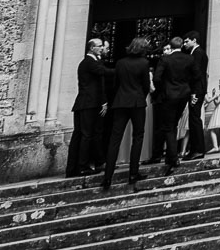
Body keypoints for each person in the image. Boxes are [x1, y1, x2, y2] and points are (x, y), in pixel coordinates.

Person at [100, 37, 154, 190]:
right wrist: (140, 97)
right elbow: (145, 85)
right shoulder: (144, 63)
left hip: (121, 101)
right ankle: (133, 174)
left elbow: (116, 83)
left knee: (115, 138)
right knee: (137, 137)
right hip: (136, 102)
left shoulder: (120, 63)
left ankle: (107, 177)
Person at [64, 37, 113, 177]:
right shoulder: (89, 62)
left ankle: (75, 167)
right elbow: (104, 72)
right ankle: (81, 166)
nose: (102, 48)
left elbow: (100, 83)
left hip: (88, 103)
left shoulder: (93, 62)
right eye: (99, 46)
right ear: (92, 48)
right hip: (87, 104)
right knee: (85, 135)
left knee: (81, 135)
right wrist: (124, 69)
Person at [151, 36, 197, 174]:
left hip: (169, 96)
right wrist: (190, 89)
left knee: (169, 126)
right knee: (174, 124)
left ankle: (173, 157)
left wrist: (162, 90)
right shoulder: (189, 59)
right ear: (182, 45)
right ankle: (172, 155)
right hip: (183, 95)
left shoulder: (165, 59)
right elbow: (196, 76)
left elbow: (157, 78)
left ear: (170, 46)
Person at [182, 31, 210, 159]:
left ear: (194, 40)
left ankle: (198, 150)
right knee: (194, 120)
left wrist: (193, 92)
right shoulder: (196, 53)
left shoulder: (197, 53)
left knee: (195, 120)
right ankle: (195, 149)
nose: (184, 44)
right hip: (198, 89)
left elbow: (197, 73)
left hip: (197, 90)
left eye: (187, 41)